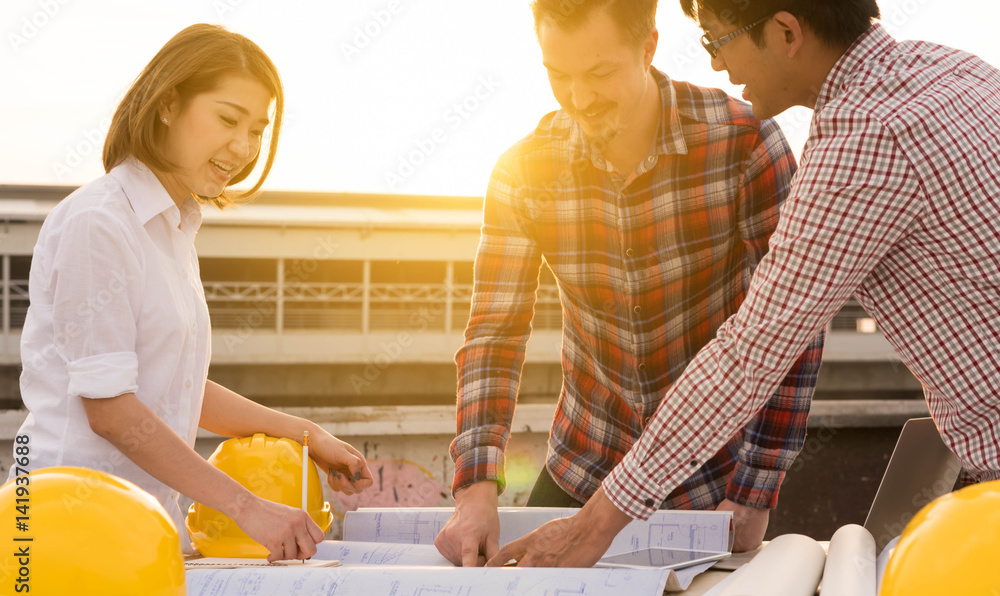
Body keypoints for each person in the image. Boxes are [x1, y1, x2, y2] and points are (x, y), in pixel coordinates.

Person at [488, 0, 1000, 567]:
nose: (717, 66)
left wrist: (598, 525)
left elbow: (751, 354)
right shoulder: (959, 71)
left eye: (717, 41)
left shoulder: (864, 141)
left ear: (785, 32)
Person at [434, 0, 826, 567]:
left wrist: (755, 490)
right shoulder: (522, 172)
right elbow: (494, 335)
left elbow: (793, 329)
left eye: (598, 73)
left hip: (712, 481)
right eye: (558, 75)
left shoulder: (746, 144)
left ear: (648, 47)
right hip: (584, 468)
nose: (580, 98)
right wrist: (475, 487)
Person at [11, 24, 373, 561]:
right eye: (228, 119)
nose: (244, 147)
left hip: (142, 530)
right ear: (167, 104)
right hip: (69, 536)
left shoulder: (173, 227)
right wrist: (248, 508)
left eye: (257, 129)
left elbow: (176, 384)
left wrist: (305, 433)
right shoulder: (99, 222)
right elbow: (111, 410)